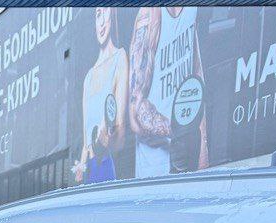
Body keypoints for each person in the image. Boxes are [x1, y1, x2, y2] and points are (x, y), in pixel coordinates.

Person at [129, 6, 209, 178]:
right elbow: (135, 109)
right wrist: (179, 129)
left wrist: (202, 152)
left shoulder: (191, 11)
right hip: (153, 171)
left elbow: (197, 82)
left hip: (187, 167)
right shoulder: (149, 15)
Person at [75, 7, 130, 185]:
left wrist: (105, 142)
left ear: (113, 15)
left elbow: (120, 138)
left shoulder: (120, 58)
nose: (102, 22)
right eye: (98, 14)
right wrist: (79, 171)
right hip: (89, 171)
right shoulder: (88, 77)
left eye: (106, 13)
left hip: (105, 165)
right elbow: (85, 144)